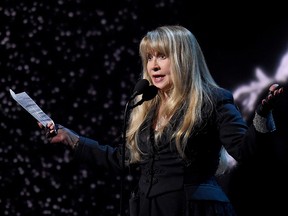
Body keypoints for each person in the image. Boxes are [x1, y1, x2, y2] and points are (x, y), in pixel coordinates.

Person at [40, 25, 284, 216]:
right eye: (149, 57)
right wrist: (70, 138)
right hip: (148, 209)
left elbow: (244, 150)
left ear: (183, 59)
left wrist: (263, 114)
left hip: (193, 209)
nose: (153, 65)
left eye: (162, 56)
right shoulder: (146, 106)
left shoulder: (213, 100)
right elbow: (122, 158)